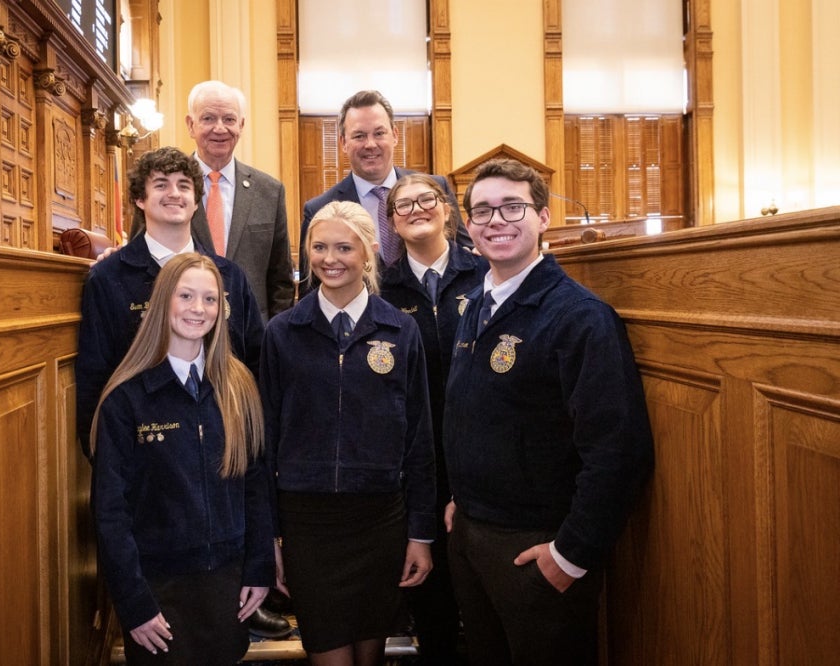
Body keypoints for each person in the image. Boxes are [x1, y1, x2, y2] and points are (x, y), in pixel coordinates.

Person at [443, 158, 655, 666]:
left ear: (542, 217)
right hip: (473, 538)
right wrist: (462, 499)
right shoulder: (478, 303)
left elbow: (618, 451)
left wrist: (570, 556)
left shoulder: (580, 318)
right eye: (483, 211)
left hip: (537, 550)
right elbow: (481, 413)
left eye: (512, 207)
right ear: (468, 227)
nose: (497, 220)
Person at [260, 200, 436, 665]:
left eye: (343, 247)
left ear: (369, 252)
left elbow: (419, 437)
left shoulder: (401, 330)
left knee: (370, 652)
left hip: (380, 520)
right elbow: (265, 440)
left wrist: (420, 532)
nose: (329, 258)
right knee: (329, 653)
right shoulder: (283, 332)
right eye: (318, 247)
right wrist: (269, 537)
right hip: (308, 522)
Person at [91, 252, 274, 665]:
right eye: (186, 295)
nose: (198, 309)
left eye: (210, 300)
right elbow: (110, 513)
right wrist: (134, 602)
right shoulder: (126, 399)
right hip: (159, 590)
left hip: (226, 585)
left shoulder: (239, 387)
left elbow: (255, 485)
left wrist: (259, 568)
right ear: (161, 302)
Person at [75, 146, 264, 462]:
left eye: (184, 185)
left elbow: (253, 360)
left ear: (196, 201)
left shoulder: (229, 276)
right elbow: (95, 372)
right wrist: (98, 450)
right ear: (140, 199)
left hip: (220, 443)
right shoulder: (109, 277)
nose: (174, 193)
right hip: (142, 447)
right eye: (161, 184)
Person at [379, 174, 486, 665]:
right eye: (405, 205)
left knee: (483, 589)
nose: (417, 209)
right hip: (414, 459)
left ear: (447, 210)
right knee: (430, 587)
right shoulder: (381, 288)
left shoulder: (485, 275)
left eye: (427, 200)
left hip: (478, 456)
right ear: (393, 223)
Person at [298, 89, 471, 293]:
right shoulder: (320, 209)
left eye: (379, 133)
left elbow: (466, 253)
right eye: (359, 136)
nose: (370, 144)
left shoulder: (434, 190)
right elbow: (311, 290)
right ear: (343, 143)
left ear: (395, 135)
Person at [185, 80, 295, 320]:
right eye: (208, 118)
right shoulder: (166, 186)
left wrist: (274, 338)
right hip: (182, 331)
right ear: (190, 125)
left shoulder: (270, 191)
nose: (220, 128)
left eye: (229, 119)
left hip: (251, 337)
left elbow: (281, 280)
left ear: (241, 125)